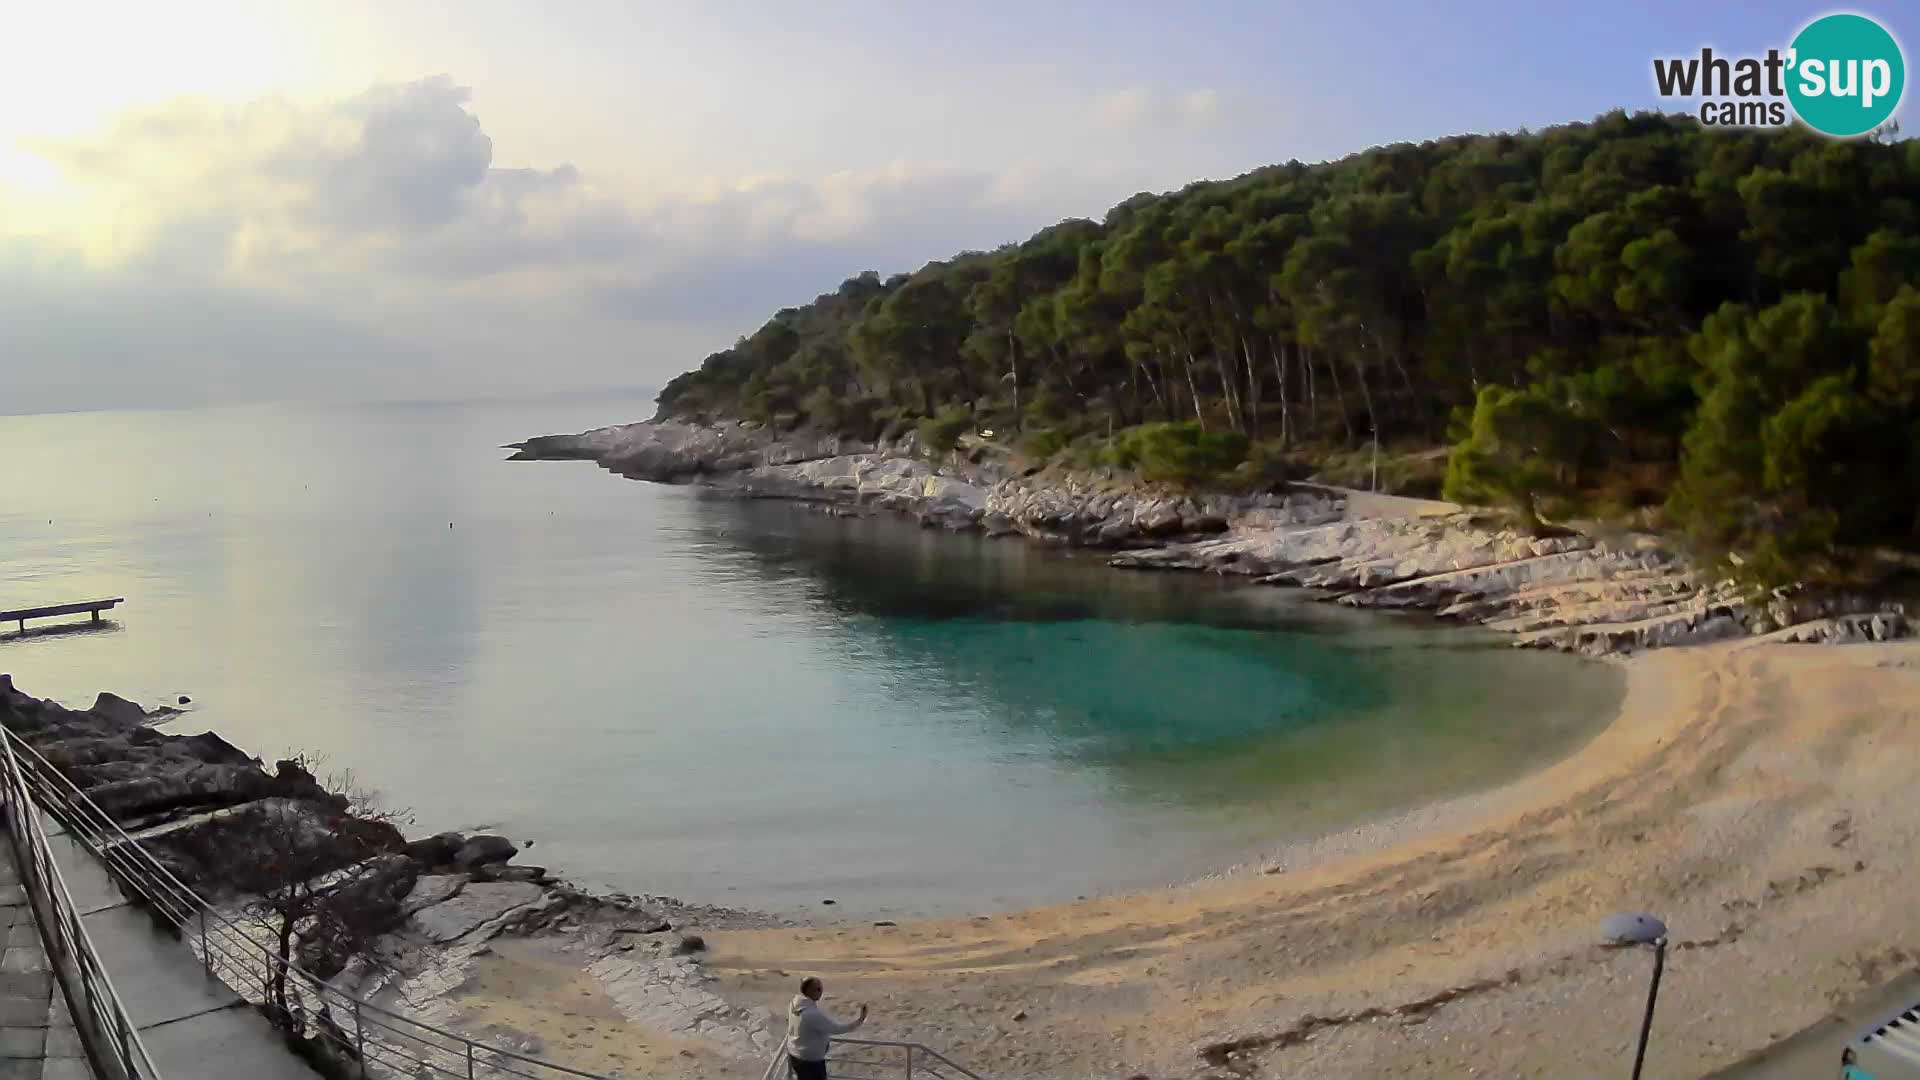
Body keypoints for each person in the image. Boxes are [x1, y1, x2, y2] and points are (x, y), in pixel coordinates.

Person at [786, 976, 867, 1080]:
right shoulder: (811, 1014)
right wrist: (860, 1020)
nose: (821, 992)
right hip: (810, 1061)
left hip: (795, 1054)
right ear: (809, 991)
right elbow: (837, 1029)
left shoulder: (794, 1004)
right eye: (818, 989)